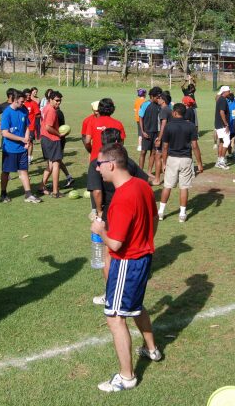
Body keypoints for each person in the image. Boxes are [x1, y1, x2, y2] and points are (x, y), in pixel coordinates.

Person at [90, 143, 160, 393]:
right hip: (143, 258)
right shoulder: (142, 185)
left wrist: (100, 230)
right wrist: (146, 242)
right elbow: (154, 219)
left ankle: (127, 376)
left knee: (115, 317)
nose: (97, 168)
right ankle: (151, 349)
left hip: (127, 263)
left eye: (99, 164)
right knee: (136, 305)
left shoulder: (121, 197)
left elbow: (116, 243)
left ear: (111, 164)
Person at [86, 129, 152, 306]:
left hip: (111, 211)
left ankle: (111, 293)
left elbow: (97, 191)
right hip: (130, 215)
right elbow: (147, 181)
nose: (99, 168)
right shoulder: (127, 162)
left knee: (109, 255)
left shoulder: (97, 164)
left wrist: (99, 214)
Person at [157, 103, 203, 222]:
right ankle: (182, 214)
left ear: (175, 113)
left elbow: (165, 147)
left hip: (172, 159)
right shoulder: (191, 126)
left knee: (167, 186)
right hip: (186, 159)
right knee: (184, 187)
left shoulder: (168, 126)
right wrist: (199, 163)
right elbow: (195, 145)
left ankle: (161, 212)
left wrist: (164, 162)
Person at [0, 89, 40, 203]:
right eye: (21, 101)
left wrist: (26, 141)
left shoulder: (24, 110)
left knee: (24, 170)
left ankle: (28, 194)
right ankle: (3, 193)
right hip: (10, 149)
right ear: (15, 100)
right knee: (6, 172)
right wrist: (22, 139)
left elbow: (27, 126)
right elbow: (5, 133)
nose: (23, 103)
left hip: (22, 149)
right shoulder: (7, 113)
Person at [39, 91, 67, 198]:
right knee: (56, 165)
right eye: (56, 100)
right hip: (52, 139)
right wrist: (59, 134)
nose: (58, 103)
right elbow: (48, 127)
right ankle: (56, 191)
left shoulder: (46, 107)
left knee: (50, 165)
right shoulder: (51, 111)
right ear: (50, 100)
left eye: (60, 101)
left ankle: (42, 186)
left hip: (45, 139)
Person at [139, 88, 162, 174]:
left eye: (160, 97)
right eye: (157, 97)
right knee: (143, 152)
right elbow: (140, 118)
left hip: (156, 132)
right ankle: (140, 172)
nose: (159, 98)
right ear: (152, 96)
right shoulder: (145, 105)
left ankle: (149, 171)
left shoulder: (160, 105)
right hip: (147, 132)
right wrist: (143, 131)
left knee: (153, 152)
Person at [214, 86, 231, 169]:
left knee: (221, 142)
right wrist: (226, 124)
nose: (230, 92)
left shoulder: (220, 99)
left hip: (218, 124)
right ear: (224, 92)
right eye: (228, 91)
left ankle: (219, 161)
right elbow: (222, 112)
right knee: (227, 142)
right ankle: (222, 161)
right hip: (222, 125)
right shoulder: (223, 100)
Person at [22, 88, 41, 160]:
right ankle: (22, 156)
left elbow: (38, 114)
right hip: (21, 127)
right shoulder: (21, 103)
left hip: (30, 127)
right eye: (26, 95)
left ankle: (29, 157)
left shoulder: (33, 103)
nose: (28, 97)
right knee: (22, 141)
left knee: (29, 142)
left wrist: (33, 120)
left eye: (29, 95)